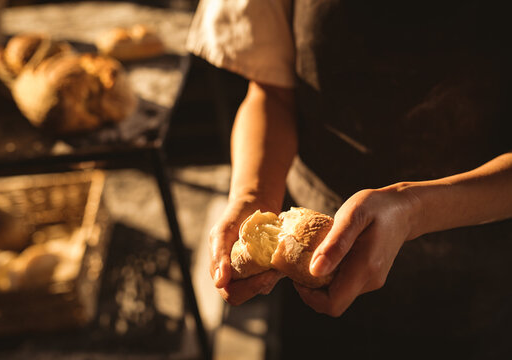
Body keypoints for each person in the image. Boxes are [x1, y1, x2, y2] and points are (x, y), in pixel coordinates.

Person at [187, 0, 512, 358]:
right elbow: (272, 93)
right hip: (311, 281)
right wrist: (254, 193)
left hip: (472, 291)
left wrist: (414, 209)